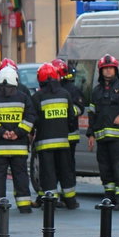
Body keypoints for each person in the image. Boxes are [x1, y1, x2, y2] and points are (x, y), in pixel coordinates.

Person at [0, 65, 36, 213]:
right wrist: (17, 133)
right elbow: (30, 117)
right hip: (19, 146)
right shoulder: (23, 97)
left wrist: (2, 133)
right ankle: (24, 205)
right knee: (20, 175)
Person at [32, 63, 79, 209]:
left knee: (48, 173)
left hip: (44, 144)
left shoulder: (38, 97)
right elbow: (72, 117)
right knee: (65, 171)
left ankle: (50, 202)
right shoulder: (65, 94)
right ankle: (71, 201)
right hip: (63, 143)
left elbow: (33, 119)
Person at [87, 54, 119, 211]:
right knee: (105, 169)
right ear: (101, 71)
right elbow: (92, 113)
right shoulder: (96, 91)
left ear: (115, 70)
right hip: (102, 139)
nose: (108, 71)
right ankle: (108, 198)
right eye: (105, 69)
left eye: (110, 68)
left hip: (118, 139)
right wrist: (90, 134)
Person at [51, 58, 86, 172]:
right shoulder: (49, 89)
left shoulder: (72, 90)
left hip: (69, 134)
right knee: (55, 165)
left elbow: (80, 108)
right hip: (54, 134)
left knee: (67, 164)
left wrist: (67, 113)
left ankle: (68, 187)